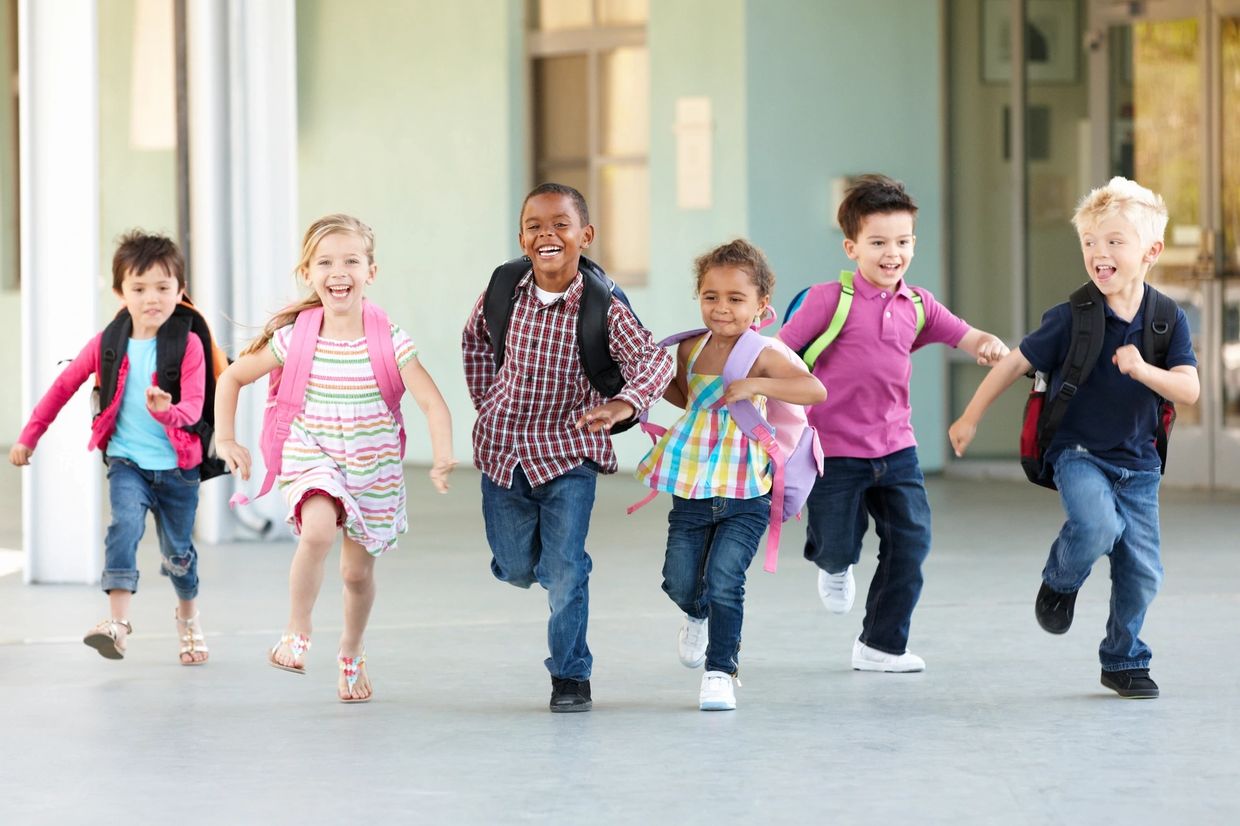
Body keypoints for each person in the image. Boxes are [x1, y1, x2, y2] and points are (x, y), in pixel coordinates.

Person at [949, 177, 1198, 699]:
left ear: (1150, 252)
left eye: (1113, 242)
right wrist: (970, 416)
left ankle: (1124, 660)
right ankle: (1060, 582)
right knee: (1097, 525)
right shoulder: (1071, 318)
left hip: (1140, 465)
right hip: (1078, 453)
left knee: (1144, 571)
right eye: (1089, 242)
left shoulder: (1166, 320)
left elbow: (1189, 389)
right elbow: (1016, 360)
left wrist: (1142, 371)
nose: (1098, 253)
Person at [214, 214, 455, 703]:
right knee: (318, 530)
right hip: (314, 453)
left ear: (371, 271)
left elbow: (432, 402)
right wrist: (226, 439)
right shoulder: (294, 339)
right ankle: (296, 630)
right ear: (308, 272)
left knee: (355, 574)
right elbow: (232, 378)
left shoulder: (390, 340)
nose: (338, 270)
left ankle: (351, 650)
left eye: (351, 260)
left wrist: (443, 455)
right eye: (325, 261)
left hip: (373, 467)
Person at [777, 173, 1009, 672]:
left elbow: (967, 335)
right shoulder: (827, 299)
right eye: (878, 242)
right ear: (851, 247)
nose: (892, 254)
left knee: (912, 540)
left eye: (902, 242)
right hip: (832, 448)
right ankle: (834, 565)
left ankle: (880, 645)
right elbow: (780, 354)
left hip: (896, 448)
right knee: (838, 542)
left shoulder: (918, 305)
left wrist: (988, 345)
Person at [461, 182, 673, 713]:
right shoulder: (503, 290)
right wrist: (487, 402)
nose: (547, 234)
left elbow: (655, 361)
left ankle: (571, 675)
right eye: (535, 226)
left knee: (566, 568)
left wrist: (624, 405)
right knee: (514, 567)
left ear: (586, 235)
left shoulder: (603, 305)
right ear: (522, 237)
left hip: (567, 454)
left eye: (560, 224)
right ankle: (539, 570)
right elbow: (475, 342)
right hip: (503, 450)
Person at [636, 239, 826, 710]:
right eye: (711, 296)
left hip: (746, 487)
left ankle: (720, 671)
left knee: (726, 577)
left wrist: (758, 383)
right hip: (693, 483)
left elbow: (814, 390)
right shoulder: (690, 349)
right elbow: (684, 397)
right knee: (679, 578)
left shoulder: (763, 352)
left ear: (761, 306)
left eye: (736, 299)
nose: (722, 308)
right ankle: (696, 614)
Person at [10, 231, 212, 665]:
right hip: (128, 462)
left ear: (181, 291)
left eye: (163, 287)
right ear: (121, 292)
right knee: (123, 526)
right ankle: (118, 625)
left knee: (178, 554)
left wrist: (166, 410)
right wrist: (30, 435)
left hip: (179, 469)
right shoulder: (108, 342)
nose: (152, 298)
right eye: (139, 289)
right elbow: (64, 386)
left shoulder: (187, 344)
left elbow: (194, 408)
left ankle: (189, 617)